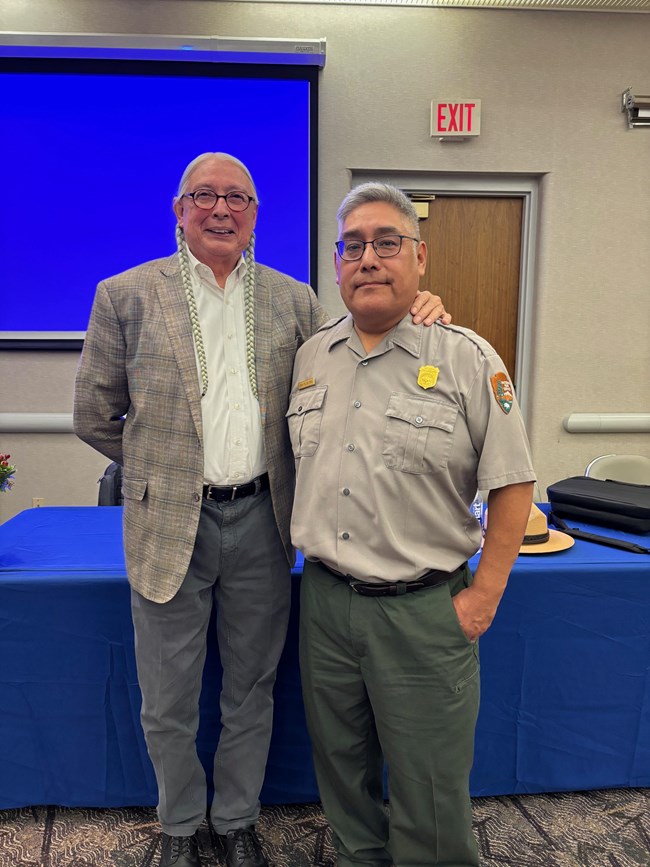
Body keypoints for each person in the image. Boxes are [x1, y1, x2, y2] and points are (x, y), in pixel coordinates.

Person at [73, 154, 448, 867]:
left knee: (252, 688)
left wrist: (420, 308)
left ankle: (237, 817)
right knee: (168, 699)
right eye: (205, 196)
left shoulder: (294, 298)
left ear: (255, 214)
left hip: (262, 522)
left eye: (238, 198)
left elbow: (352, 352)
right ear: (179, 209)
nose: (222, 209)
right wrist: (165, 464)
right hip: (167, 527)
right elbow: (93, 414)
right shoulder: (124, 295)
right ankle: (181, 825)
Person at [288, 182, 536, 867]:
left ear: (420, 257)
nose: (369, 258)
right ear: (337, 263)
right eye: (353, 245)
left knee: (429, 791)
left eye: (387, 242)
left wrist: (483, 596)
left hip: (422, 611)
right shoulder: (310, 361)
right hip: (326, 606)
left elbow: (514, 482)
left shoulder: (466, 357)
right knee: (342, 777)